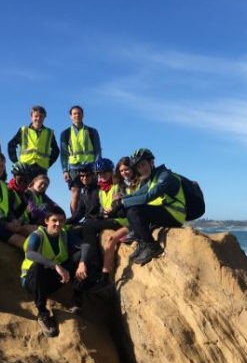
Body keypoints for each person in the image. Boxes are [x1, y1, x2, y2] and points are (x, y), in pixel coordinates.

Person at [109, 148, 185, 265]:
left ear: (151, 162)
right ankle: (142, 243)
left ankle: (151, 245)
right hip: (164, 212)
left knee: (133, 210)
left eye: (143, 164)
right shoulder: (151, 179)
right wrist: (119, 201)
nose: (141, 169)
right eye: (138, 167)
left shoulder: (165, 176)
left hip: (175, 214)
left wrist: (123, 203)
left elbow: (148, 197)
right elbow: (137, 194)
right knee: (127, 209)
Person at [20, 207, 86, 337]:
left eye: (61, 221)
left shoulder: (64, 234)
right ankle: (42, 313)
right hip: (32, 282)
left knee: (80, 257)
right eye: (54, 220)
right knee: (39, 266)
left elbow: (85, 246)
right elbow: (30, 254)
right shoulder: (37, 235)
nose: (58, 224)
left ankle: (76, 300)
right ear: (46, 221)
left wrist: (82, 263)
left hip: (53, 280)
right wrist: (54, 265)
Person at [76, 158, 130, 288]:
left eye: (105, 173)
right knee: (88, 225)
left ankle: (96, 269)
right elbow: (102, 208)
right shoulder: (101, 190)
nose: (102, 176)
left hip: (121, 219)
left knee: (88, 225)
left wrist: (111, 210)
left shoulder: (119, 185)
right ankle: (99, 274)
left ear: (111, 172)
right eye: (99, 173)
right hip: (109, 219)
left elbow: (119, 204)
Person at [60, 105, 102, 215]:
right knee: (75, 192)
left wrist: (98, 168)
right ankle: (74, 219)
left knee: (93, 192)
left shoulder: (92, 131)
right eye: (74, 113)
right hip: (74, 167)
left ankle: (93, 216)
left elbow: (97, 150)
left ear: (82, 115)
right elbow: (64, 154)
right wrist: (65, 170)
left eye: (79, 113)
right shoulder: (65, 133)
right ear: (70, 116)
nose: (77, 115)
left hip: (90, 166)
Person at [7, 105, 59, 172]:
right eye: (36, 116)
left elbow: (56, 150)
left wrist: (49, 163)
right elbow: (11, 145)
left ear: (44, 117)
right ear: (31, 117)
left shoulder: (49, 133)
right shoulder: (23, 131)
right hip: (24, 167)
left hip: (41, 168)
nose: (38, 118)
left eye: (41, 116)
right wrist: (15, 161)